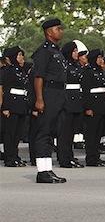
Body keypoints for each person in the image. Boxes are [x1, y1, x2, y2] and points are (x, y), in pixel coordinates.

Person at [30, 18, 68, 183]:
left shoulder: (56, 51)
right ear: (48, 32)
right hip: (49, 93)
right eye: (57, 29)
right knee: (44, 131)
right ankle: (42, 171)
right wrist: (39, 100)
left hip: (59, 93)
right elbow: (38, 77)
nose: (61, 31)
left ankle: (48, 168)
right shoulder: (44, 51)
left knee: (52, 131)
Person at [81, 49, 105, 167]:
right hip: (93, 104)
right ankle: (91, 157)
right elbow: (86, 91)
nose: (101, 60)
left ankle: (96, 156)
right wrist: (88, 107)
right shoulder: (88, 72)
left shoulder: (101, 71)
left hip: (102, 105)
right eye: (98, 58)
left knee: (98, 133)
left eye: (101, 58)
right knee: (91, 133)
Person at [1, 46, 29, 167]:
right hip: (12, 103)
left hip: (21, 103)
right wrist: (5, 107)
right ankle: (9, 158)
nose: (21, 57)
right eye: (19, 55)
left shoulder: (21, 70)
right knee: (10, 133)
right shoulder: (9, 70)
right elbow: (6, 90)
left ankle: (15, 155)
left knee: (18, 133)